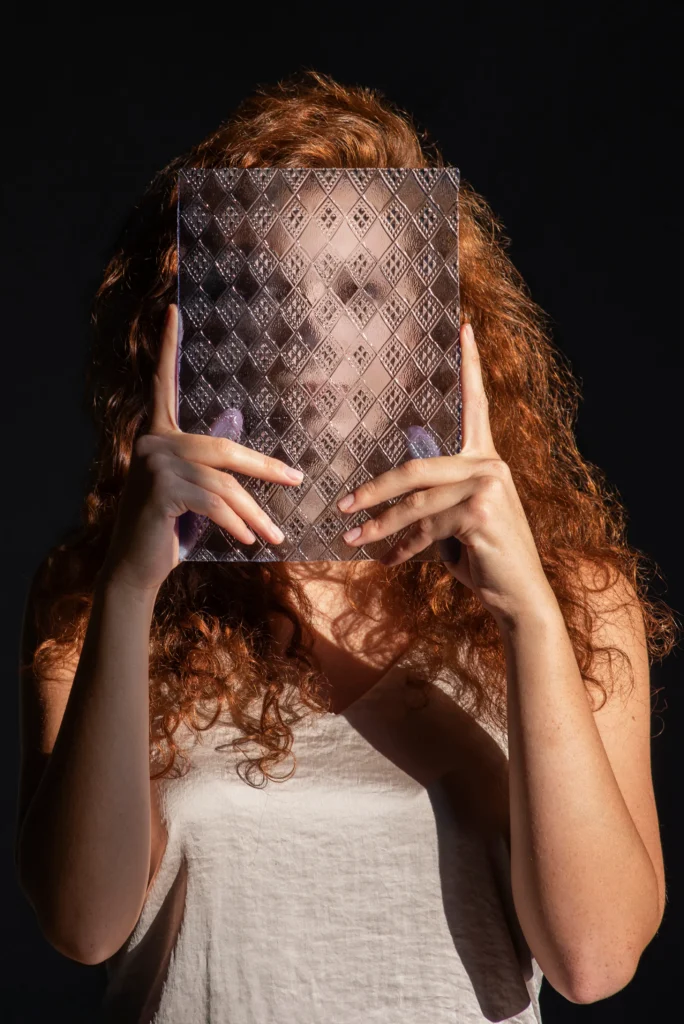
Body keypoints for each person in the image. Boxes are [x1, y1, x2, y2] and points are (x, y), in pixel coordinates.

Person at [14, 70, 676, 1024]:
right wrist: (130, 588)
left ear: (437, 329)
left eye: (361, 290)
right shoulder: (94, 594)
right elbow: (83, 925)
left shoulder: (577, 599)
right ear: (204, 324)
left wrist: (527, 611)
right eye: (267, 290)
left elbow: (595, 961)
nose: (313, 334)